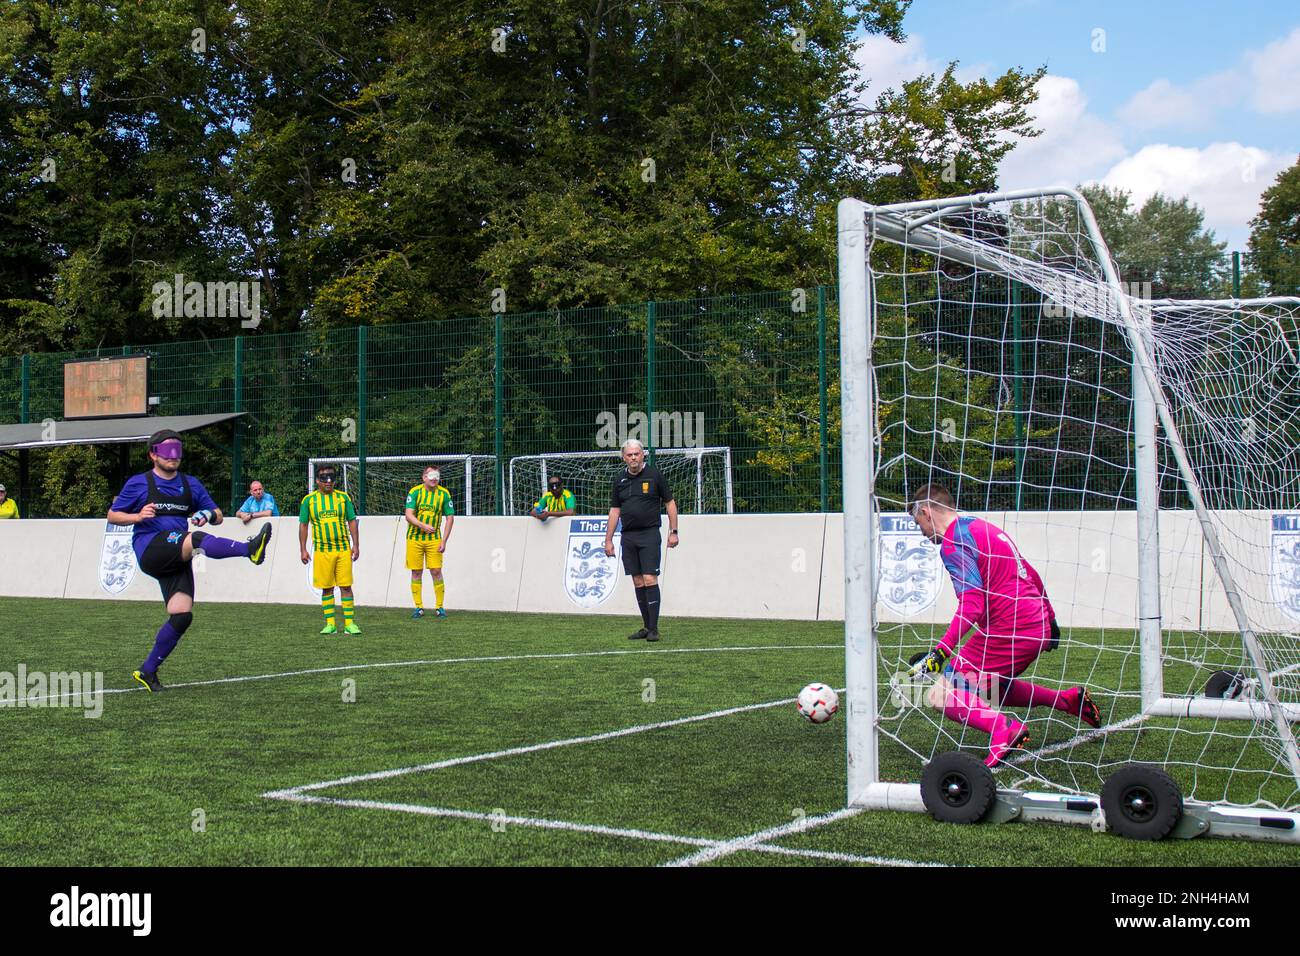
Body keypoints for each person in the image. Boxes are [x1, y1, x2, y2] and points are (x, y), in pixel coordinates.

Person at [907, 483, 1100, 767]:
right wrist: (1049, 618)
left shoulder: (953, 543)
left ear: (925, 512)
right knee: (987, 685)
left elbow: (973, 604)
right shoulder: (981, 527)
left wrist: (941, 652)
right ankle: (1067, 700)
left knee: (940, 695)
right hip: (1034, 622)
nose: (922, 533)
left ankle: (1004, 729)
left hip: (1010, 628)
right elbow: (1028, 570)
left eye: (918, 523)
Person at [107, 429, 272, 692]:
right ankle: (248, 549)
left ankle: (147, 671)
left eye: (178, 451)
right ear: (153, 455)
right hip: (150, 547)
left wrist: (207, 513)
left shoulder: (190, 483)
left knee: (181, 615)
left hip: (176, 552)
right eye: (167, 451)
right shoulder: (139, 483)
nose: (174, 456)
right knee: (195, 540)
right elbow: (113, 515)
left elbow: (218, 514)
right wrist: (138, 517)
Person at [603, 438, 678, 643]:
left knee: (649, 579)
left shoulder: (655, 475)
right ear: (623, 457)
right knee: (637, 580)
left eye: (637, 453)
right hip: (628, 536)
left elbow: (670, 503)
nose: (633, 457)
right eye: (629, 454)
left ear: (643, 454)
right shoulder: (619, 480)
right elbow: (614, 511)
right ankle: (646, 626)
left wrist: (674, 531)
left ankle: (654, 629)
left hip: (649, 534)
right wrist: (608, 540)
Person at [300, 465, 361, 634]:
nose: (329, 482)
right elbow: (303, 525)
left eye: (332, 478)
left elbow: (352, 521)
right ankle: (330, 624)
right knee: (326, 587)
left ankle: (349, 624)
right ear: (317, 480)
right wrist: (303, 549)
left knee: (346, 586)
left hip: (343, 550)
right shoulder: (309, 501)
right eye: (324, 478)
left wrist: (356, 545)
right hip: (322, 550)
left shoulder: (343, 498)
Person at [404, 466, 455, 619]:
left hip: (434, 540)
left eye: (437, 476)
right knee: (416, 572)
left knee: (436, 571)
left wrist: (444, 540)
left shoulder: (444, 494)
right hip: (414, 539)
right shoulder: (415, 492)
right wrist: (423, 526)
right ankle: (418, 607)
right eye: (431, 475)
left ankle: (440, 607)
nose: (434, 478)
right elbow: (408, 515)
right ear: (424, 477)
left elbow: (450, 518)